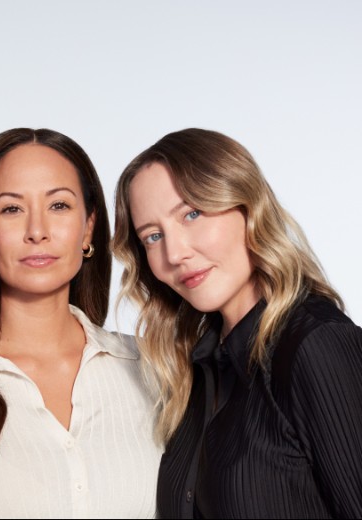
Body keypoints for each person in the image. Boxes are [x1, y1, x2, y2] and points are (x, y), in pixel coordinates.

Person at [113, 128, 362, 518]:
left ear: (247, 206)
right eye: (153, 236)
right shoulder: (196, 375)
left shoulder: (316, 344)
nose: (175, 253)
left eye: (192, 214)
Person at [0, 128, 162, 518]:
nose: (37, 231)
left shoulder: (156, 368)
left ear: (88, 227)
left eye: (58, 206)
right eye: (11, 209)